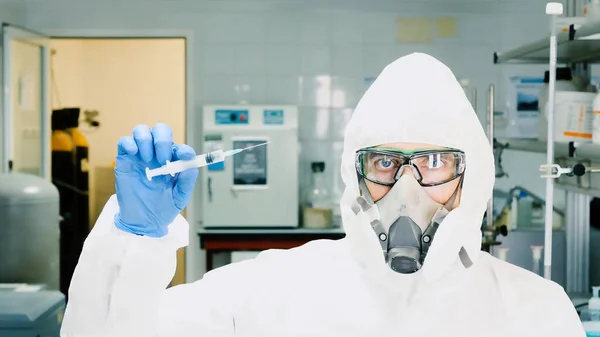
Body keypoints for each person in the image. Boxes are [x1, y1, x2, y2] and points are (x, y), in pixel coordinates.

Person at [60, 53, 585, 337]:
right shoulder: (271, 288)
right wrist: (133, 240)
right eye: (384, 162)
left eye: (432, 161)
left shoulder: (532, 311)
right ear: (353, 173)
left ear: (470, 178)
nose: (408, 188)